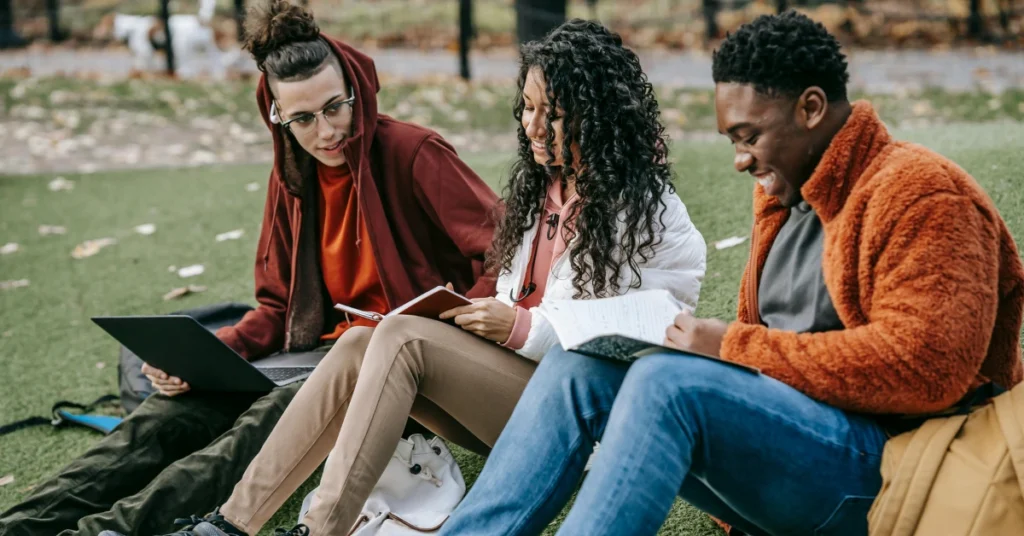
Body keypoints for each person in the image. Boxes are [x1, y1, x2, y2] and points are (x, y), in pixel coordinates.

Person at [439, 10, 1024, 536]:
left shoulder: (923, 195)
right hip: (794, 448)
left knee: (666, 384)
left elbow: (927, 371)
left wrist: (730, 347)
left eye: (750, 137)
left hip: (897, 470)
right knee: (579, 366)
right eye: (732, 141)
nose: (740, 160)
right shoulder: (783, 194)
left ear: (811, 109)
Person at [125, 17, 708, 536]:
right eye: (527, 107)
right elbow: (512, 286)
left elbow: (648, 326)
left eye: (552, 114)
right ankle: (231, 524)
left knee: (400, 338)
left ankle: (321, 528)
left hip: (587, 420)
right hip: (521, 392)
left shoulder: (646, 208)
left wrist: (520, 327)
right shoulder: (543, 186)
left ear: (598, 116)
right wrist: (483, 317)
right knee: (360, 341)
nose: (533, 126)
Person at [0, 2, 501, 535]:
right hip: (304, 356)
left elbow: (505, 250)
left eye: (336, 107)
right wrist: (208, 357)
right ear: (277, 116)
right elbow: (277, 308)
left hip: (390, 370)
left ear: (356, 90)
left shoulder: (414, 152)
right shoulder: (292, 177)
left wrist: (452, 320)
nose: (326, 131)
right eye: (303, 119)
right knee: (160, 420)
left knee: (246, 436)